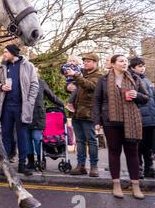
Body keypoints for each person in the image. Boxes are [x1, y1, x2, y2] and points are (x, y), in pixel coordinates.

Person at [93, 55, 149, 199]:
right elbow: (97, 101)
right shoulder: (104, 80)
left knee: (132, 152)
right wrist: (97, 121)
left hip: (131, 120)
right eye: (121, 61)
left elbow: (146, 98)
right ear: (113, 64)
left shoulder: (135, 78)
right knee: (114, 152)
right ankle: (116, 184)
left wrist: (137, 95)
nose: (124, 63)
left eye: (125, 61)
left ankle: (135, 185)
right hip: (110, 121)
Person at [0, 44, 39, 176]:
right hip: (6, 107)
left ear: (13, 53)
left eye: (6, 52)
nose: (4, 54)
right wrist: (1, 87)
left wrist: (29, 102)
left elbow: (34, 85)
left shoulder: (28, 66)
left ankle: (22, 165)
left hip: (22, 107)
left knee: (22, 136)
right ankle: (5, 166)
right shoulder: (2, 67)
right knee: (6, 137)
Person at [65, 53, 103, 177]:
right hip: (77, 113)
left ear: (95, 63)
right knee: (80, 141)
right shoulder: (82, 74)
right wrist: (68, 86)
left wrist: (76, 76)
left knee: (92, 141)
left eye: (89, 61)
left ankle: (94, 166)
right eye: (85, 61)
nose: (86, 63)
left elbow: (89, 86)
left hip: (89, 114)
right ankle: (81, 166)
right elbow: (74, 87)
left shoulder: (98, 76)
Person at [27, 74, 64, 170]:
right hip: (24, 114)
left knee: (36, 138)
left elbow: (51, 96)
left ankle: (40, 160)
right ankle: (30, 162)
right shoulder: (21, 82)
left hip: (38, 115)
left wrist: (63, 104)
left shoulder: (41, 83)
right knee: (26, 140)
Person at [129, 57, 155, 178]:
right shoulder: (131, 79)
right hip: (139, 118)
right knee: (138, 146)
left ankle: (149, 168)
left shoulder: (147, 80)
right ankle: (138, 168)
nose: (142, 68)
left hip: (150, 119)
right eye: (139, 66)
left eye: (143, 66)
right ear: (132, 68)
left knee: (148, 146)